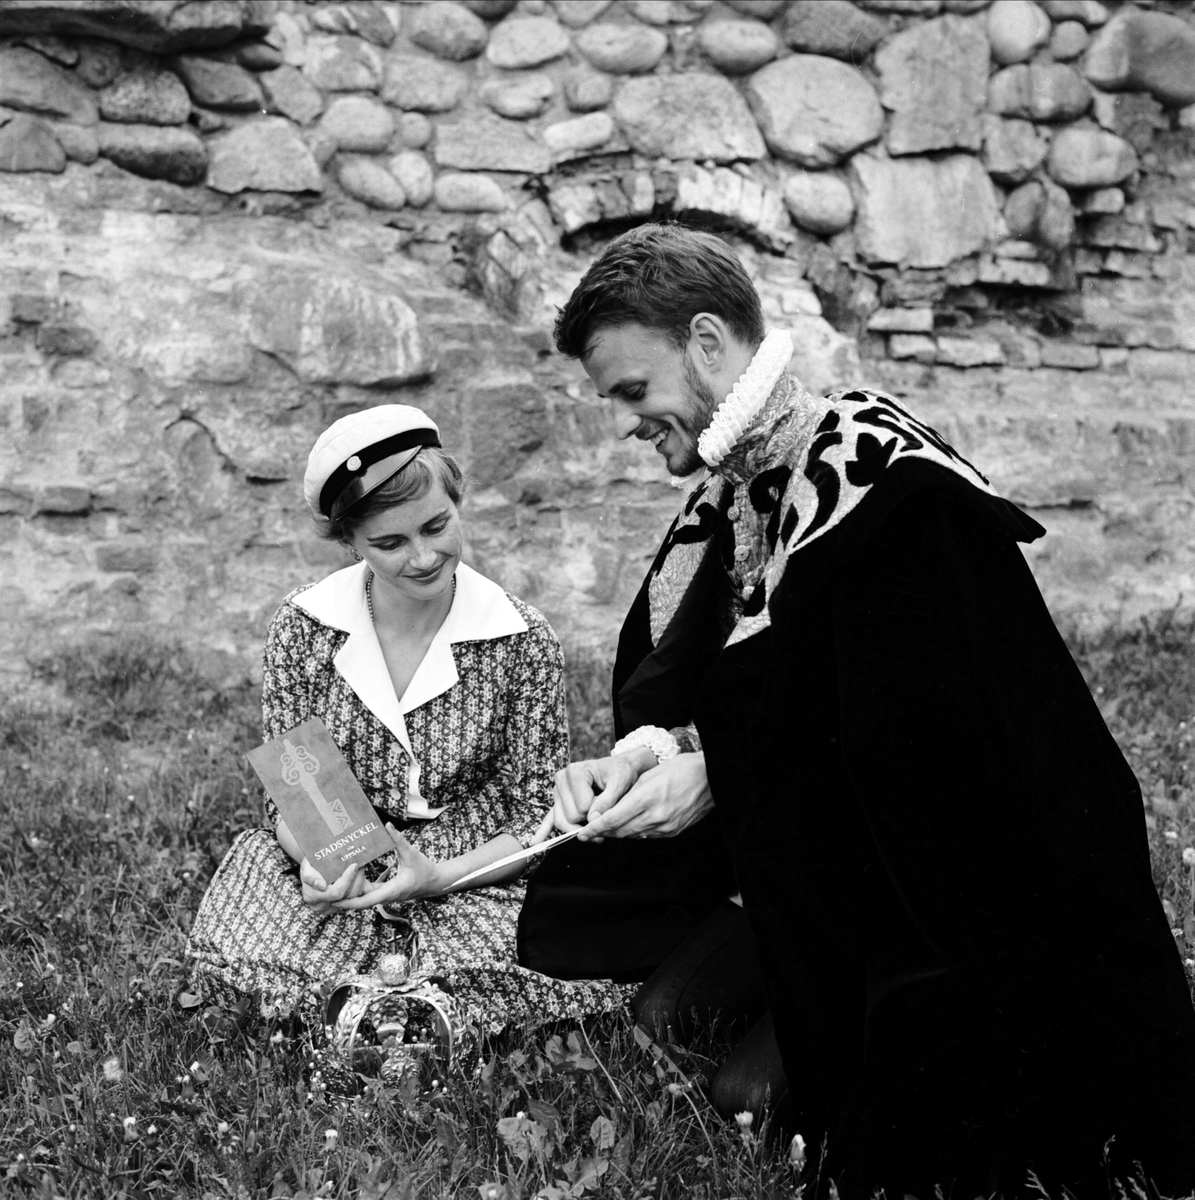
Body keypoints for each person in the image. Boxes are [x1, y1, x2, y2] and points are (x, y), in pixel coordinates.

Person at [535, 223, 1195, 1198]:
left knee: (814, 1122)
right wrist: (646, 748)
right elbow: (687, 677)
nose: (627, 422)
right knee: (671, 1025)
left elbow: (929, 760)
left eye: (634, 392)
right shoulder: (727, 495)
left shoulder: (885, 480)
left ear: (708, 344)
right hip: (822, 894)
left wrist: (715, 769)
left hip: (962, 914)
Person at [186, 404, 630, 1037]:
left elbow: (537, 818)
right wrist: (321, 864)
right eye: (389, 543)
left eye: (436, 526)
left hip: (477, 868)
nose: (423, 556)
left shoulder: (523, 638)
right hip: (350, 855)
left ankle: (377, 1003)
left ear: (458, 501)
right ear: (350, 543)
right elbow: (294, 789)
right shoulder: (303, 627)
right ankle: (415, 1005)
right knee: (254, 918)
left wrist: (438, 878)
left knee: (558, 940)